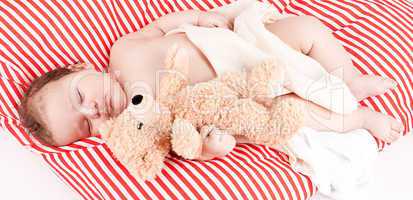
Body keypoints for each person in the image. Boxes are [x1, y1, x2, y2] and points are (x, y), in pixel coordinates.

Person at [18, 6, 403, 159]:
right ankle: (360, 120)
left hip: (248, 46)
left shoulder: (124, 50)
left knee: (307, 28)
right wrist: (210, 150)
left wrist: (202, 20)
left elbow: (163, 25)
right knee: (297, 117)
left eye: (80, 95)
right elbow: (181, 144)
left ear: (82, 66)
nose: (94, 109)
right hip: (246, 96)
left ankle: (350, 79)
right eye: (85, 124)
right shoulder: (141, 123)